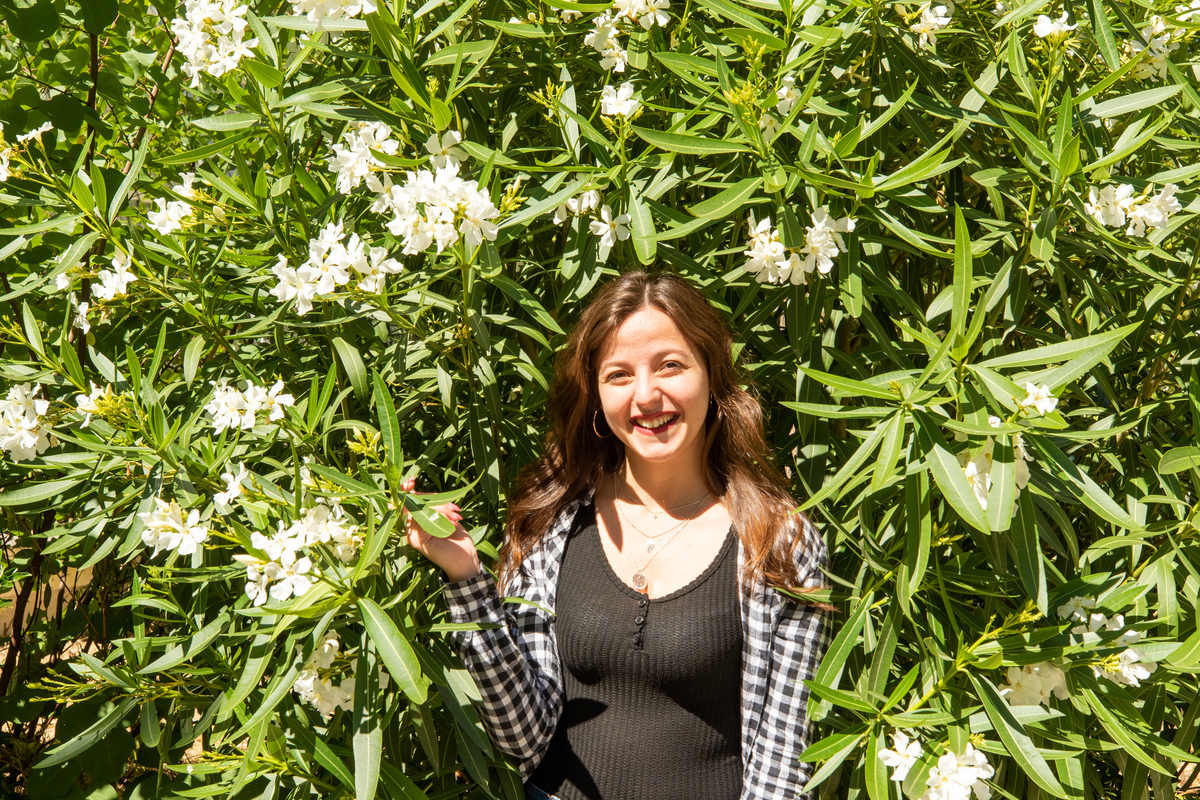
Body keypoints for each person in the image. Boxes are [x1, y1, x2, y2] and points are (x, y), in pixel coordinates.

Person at [403, 270, 830, 800]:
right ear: (596, 396)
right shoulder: (552, 521)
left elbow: (783, 765)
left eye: (670, 365)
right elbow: (521, 737)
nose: (646, 395)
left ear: (711, 375)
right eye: (619, 374)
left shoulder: (777, 542)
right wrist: (465, 576)